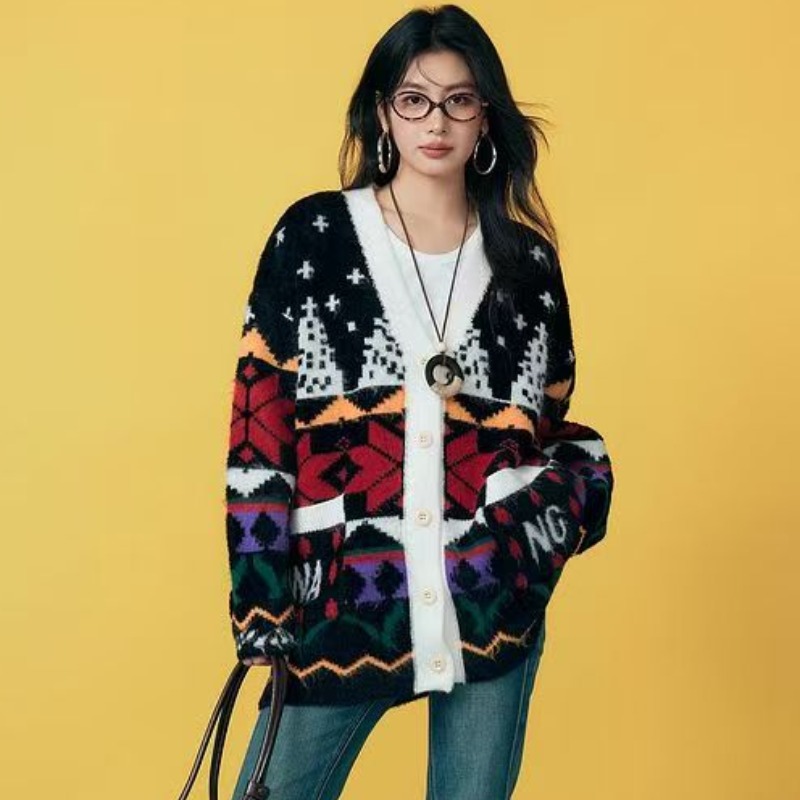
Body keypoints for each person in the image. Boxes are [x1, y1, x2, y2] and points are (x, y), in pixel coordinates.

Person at [224, 5, 614, 798]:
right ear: (383, 113)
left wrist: (535, 531)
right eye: (414, 99)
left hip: (491, 607)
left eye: (459, 100)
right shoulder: (314, 237)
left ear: (485, 118)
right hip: (341, 604)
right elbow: (258, 430)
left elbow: (547, 421)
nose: (436, 122)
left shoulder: (526, 266)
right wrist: (261, 600)